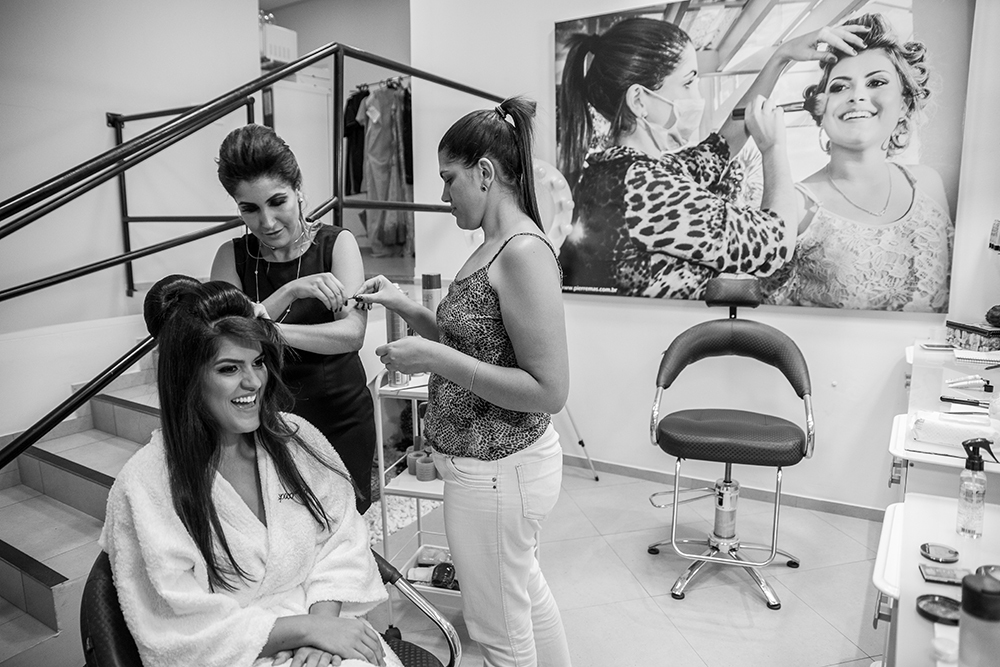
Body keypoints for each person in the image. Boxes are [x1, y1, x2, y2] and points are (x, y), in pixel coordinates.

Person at [354, 96, 572, 667]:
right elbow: (472, 341)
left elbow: (549, 390)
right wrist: (405, 305)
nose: (443, 193)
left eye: (449, 178)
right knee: (524, 596)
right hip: (492, 469)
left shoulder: (522, 252)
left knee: (497, 630)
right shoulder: (492, 247)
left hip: (501, 470)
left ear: (485, 172)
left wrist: (435, 359)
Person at [100, 276, 396, 667]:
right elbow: (176, 625)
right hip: (235, 655)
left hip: (328, 628)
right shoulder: (145, 484)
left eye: (258, 362)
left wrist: (323, 630)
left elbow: (343, 538)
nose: (253, 381)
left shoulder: (295, 438)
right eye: (229, 368)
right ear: (187, 379)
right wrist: (304, 630)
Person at [556, 17, 868, 300]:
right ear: (639, 100)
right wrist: (773, 148)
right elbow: (774, 245)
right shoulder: (647, 189)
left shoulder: (619, 173)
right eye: (688, 82)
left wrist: (780, 57)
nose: (698, 97)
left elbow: (722, 145)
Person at [211, 124, 377, 513]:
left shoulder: (338, 244)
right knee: (281, 527)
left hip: (339, 417)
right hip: (261, 419)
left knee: (343, 526)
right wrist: (289, 290)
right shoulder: (229, 257)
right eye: (249, 209)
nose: (267, 222)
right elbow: (224, 340)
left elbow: (351, 333)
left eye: (277, 202)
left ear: (298, 189)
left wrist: (266, 327)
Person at [762, 13, 953, 312]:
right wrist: (781, 56)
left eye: (876, 82)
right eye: (839, 87)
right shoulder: (797, 205)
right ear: (820, 109)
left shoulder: (929, 184)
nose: (857, 96)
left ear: (904, 104)